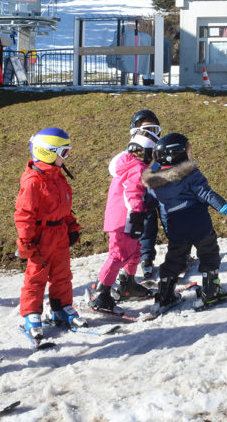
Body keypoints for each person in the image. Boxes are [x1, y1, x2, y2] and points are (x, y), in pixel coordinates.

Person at [142, 132, 227, 306]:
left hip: (175, 226)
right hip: (198, 223)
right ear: (177, 154)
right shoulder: (190, 174)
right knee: (209, 252)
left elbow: (148, 203)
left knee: (175, 258)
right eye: (188, 152)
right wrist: (225, 207)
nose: (190, 155)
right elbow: (206, 194)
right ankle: (211, 290)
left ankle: (165, 295)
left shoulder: (155, 182)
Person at [15, 127, 83, 342]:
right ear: (48, 152)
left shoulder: (58, 177)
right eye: (64, 153)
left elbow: (65, 206)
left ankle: (61, 307)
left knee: (62, 274)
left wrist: (71, 226)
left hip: (59, 232)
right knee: (36, 277)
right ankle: (31, 314)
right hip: (41, 237)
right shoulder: (33, 181)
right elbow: (24, 214)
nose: (67, 158)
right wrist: (25, 240)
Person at [89, 122, 155, 312]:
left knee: (135, 251)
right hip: (125, 220)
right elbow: (133, 192)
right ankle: (101, 293)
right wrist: (136, 214)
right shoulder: (138, 168)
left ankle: (128, 284)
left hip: (123, 218)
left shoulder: (128, 164)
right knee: (118, 255)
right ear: (147, 152)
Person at [128, 109, 165, 284]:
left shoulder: (160, 150)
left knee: (172, 219)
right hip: (144, 197)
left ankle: (180, 252)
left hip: (162, 192)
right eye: (145, 130)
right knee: (147, 224)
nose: (150, 135)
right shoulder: (134, 152)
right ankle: (146, 259)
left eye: (154, 130)